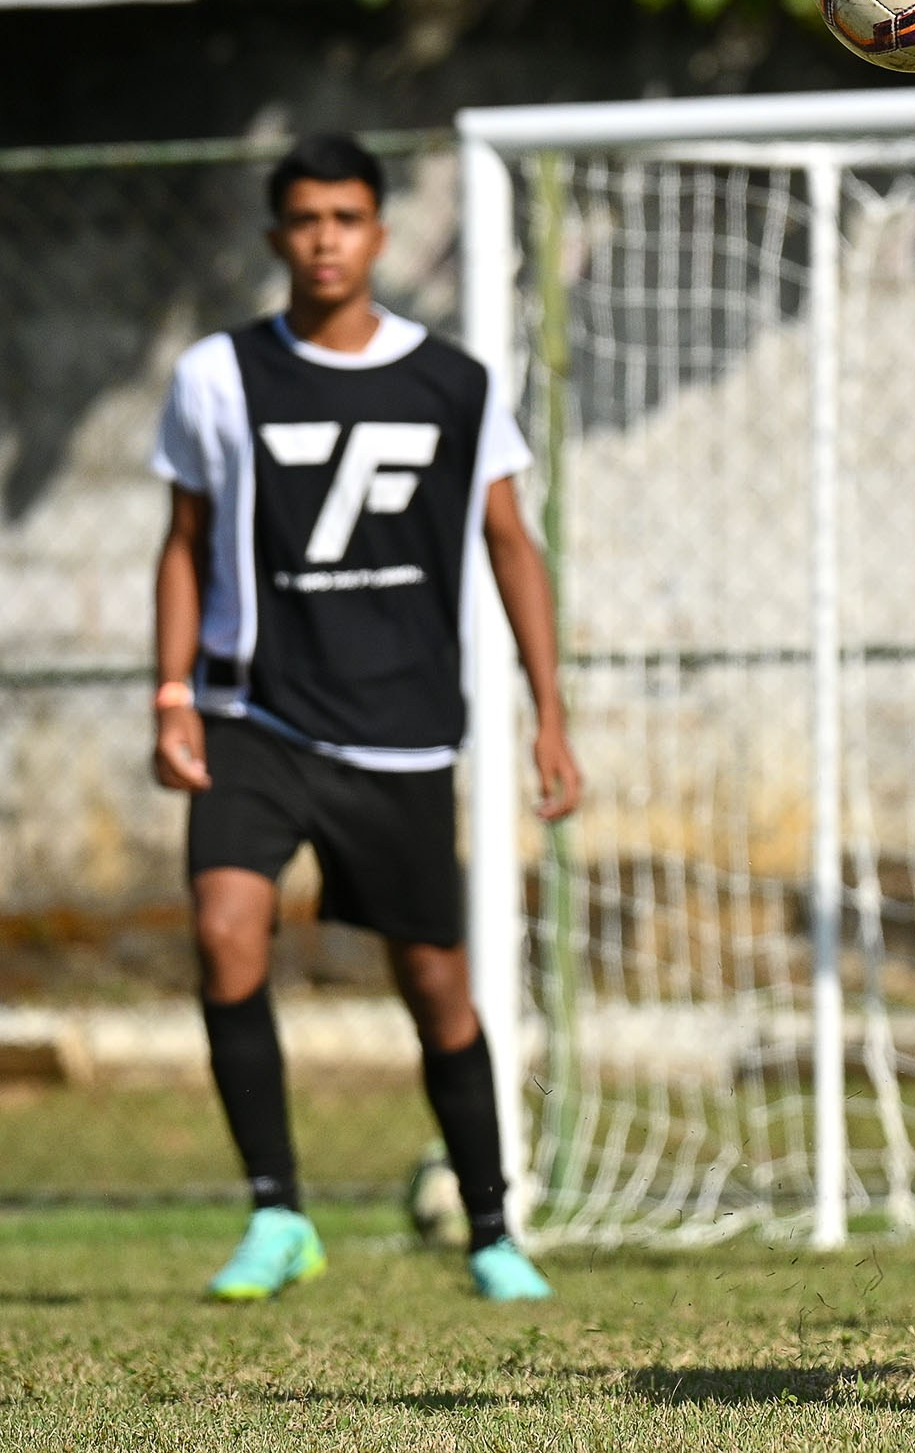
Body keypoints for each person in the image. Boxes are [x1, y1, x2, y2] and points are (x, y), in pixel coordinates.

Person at [150, 133, 576, 1303]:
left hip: (398, 732)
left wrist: (550, 711)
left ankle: (491, 1229)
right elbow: (182, 544)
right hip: (252, 715)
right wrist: (171, 690)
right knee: (227, 933)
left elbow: (508, 540)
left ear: (379, 234)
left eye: (346, 217)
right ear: (277, 236)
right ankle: (277, 1213)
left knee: (436, 984)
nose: (325, 239)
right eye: (304, 220)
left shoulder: (452, 382)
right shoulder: (217, 377)